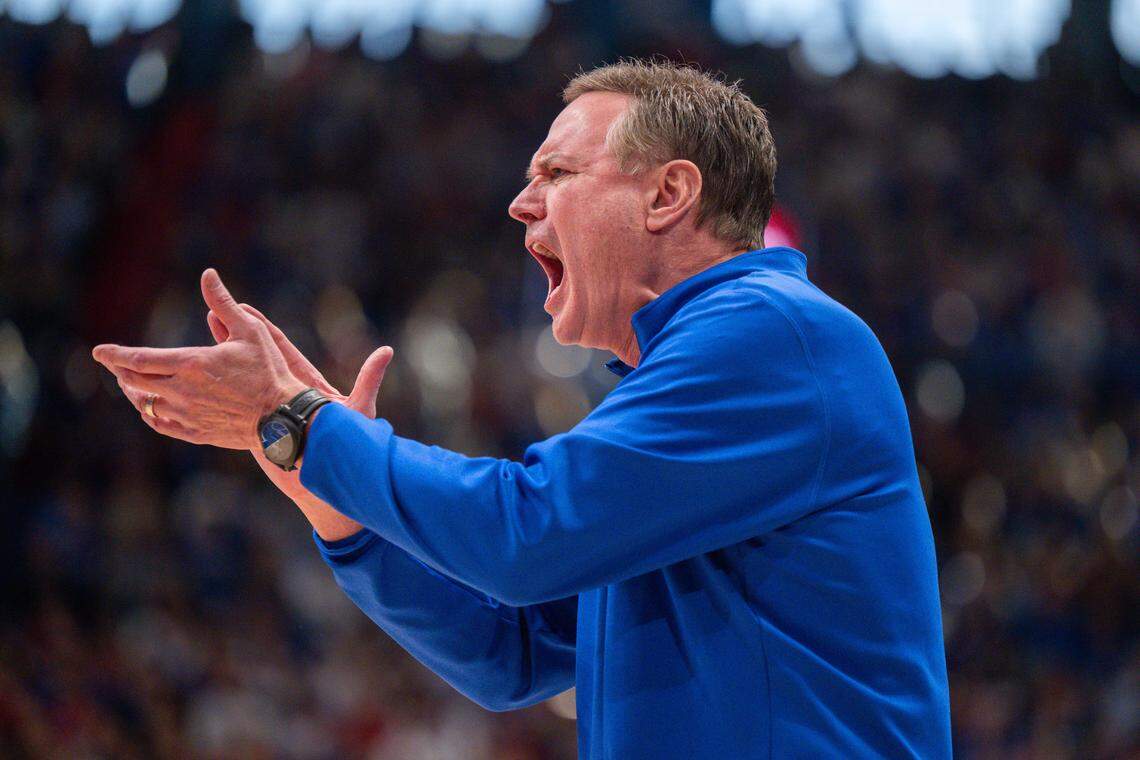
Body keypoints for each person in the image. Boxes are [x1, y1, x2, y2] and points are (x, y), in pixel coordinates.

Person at [93, 60, 952, 758]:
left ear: (667, 194)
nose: (520, 202)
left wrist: (308, 426)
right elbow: (509, 650)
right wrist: (325, 494)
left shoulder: (773, 335)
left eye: (557, 172)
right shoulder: (715, 377)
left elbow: (524, 535)